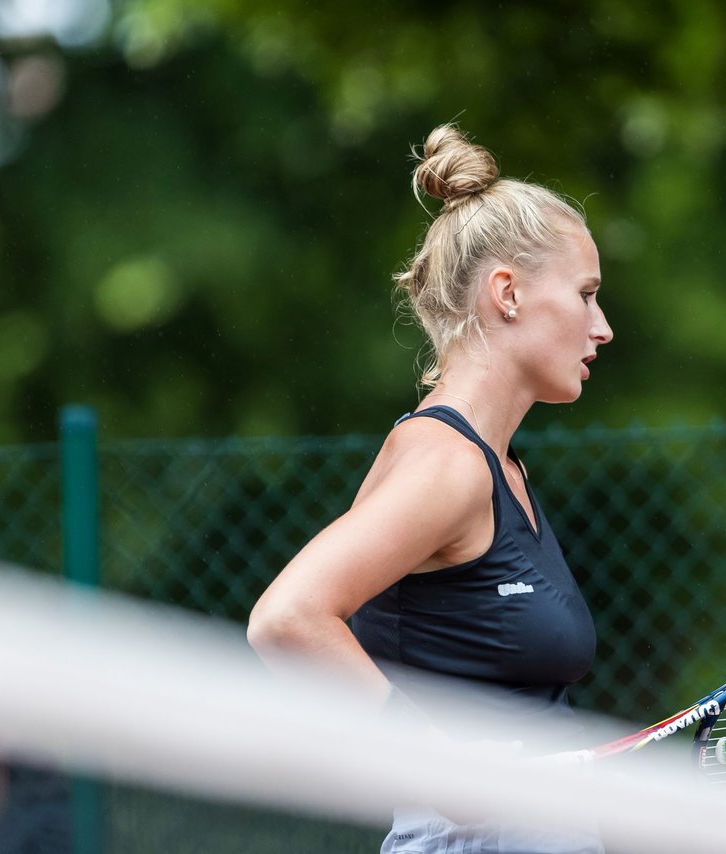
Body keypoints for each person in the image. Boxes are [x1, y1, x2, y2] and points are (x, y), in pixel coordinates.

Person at [247, 123, 614, 853]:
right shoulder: (447, 465)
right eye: (585, 294)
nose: (601, 327)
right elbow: (287, 618)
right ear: (506, 293)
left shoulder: (499, 470)